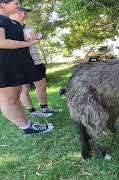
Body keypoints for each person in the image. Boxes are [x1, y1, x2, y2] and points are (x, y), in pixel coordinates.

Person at [0, 0, 54, 134]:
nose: (19, 7)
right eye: (16, 3)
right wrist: (28, 44)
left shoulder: (8, 21)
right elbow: (1, 42)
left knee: (16, 95)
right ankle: (26, 127)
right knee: (9, 99)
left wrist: (29, 39)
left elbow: (17, 38)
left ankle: (27, 124)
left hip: (15, 64)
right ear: (2, 4)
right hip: (4, 65)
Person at [10, 7, 61, 118]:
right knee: (25, 88)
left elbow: (33, 41)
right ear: (13, 11)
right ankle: (33, 112)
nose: (24, 14)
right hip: (22, 62)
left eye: (25, 12)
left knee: (42, 84)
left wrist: (38, 36)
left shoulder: (29, 27)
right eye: (20, 11)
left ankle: (44, 108)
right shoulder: (10, 27)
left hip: (36, 60)